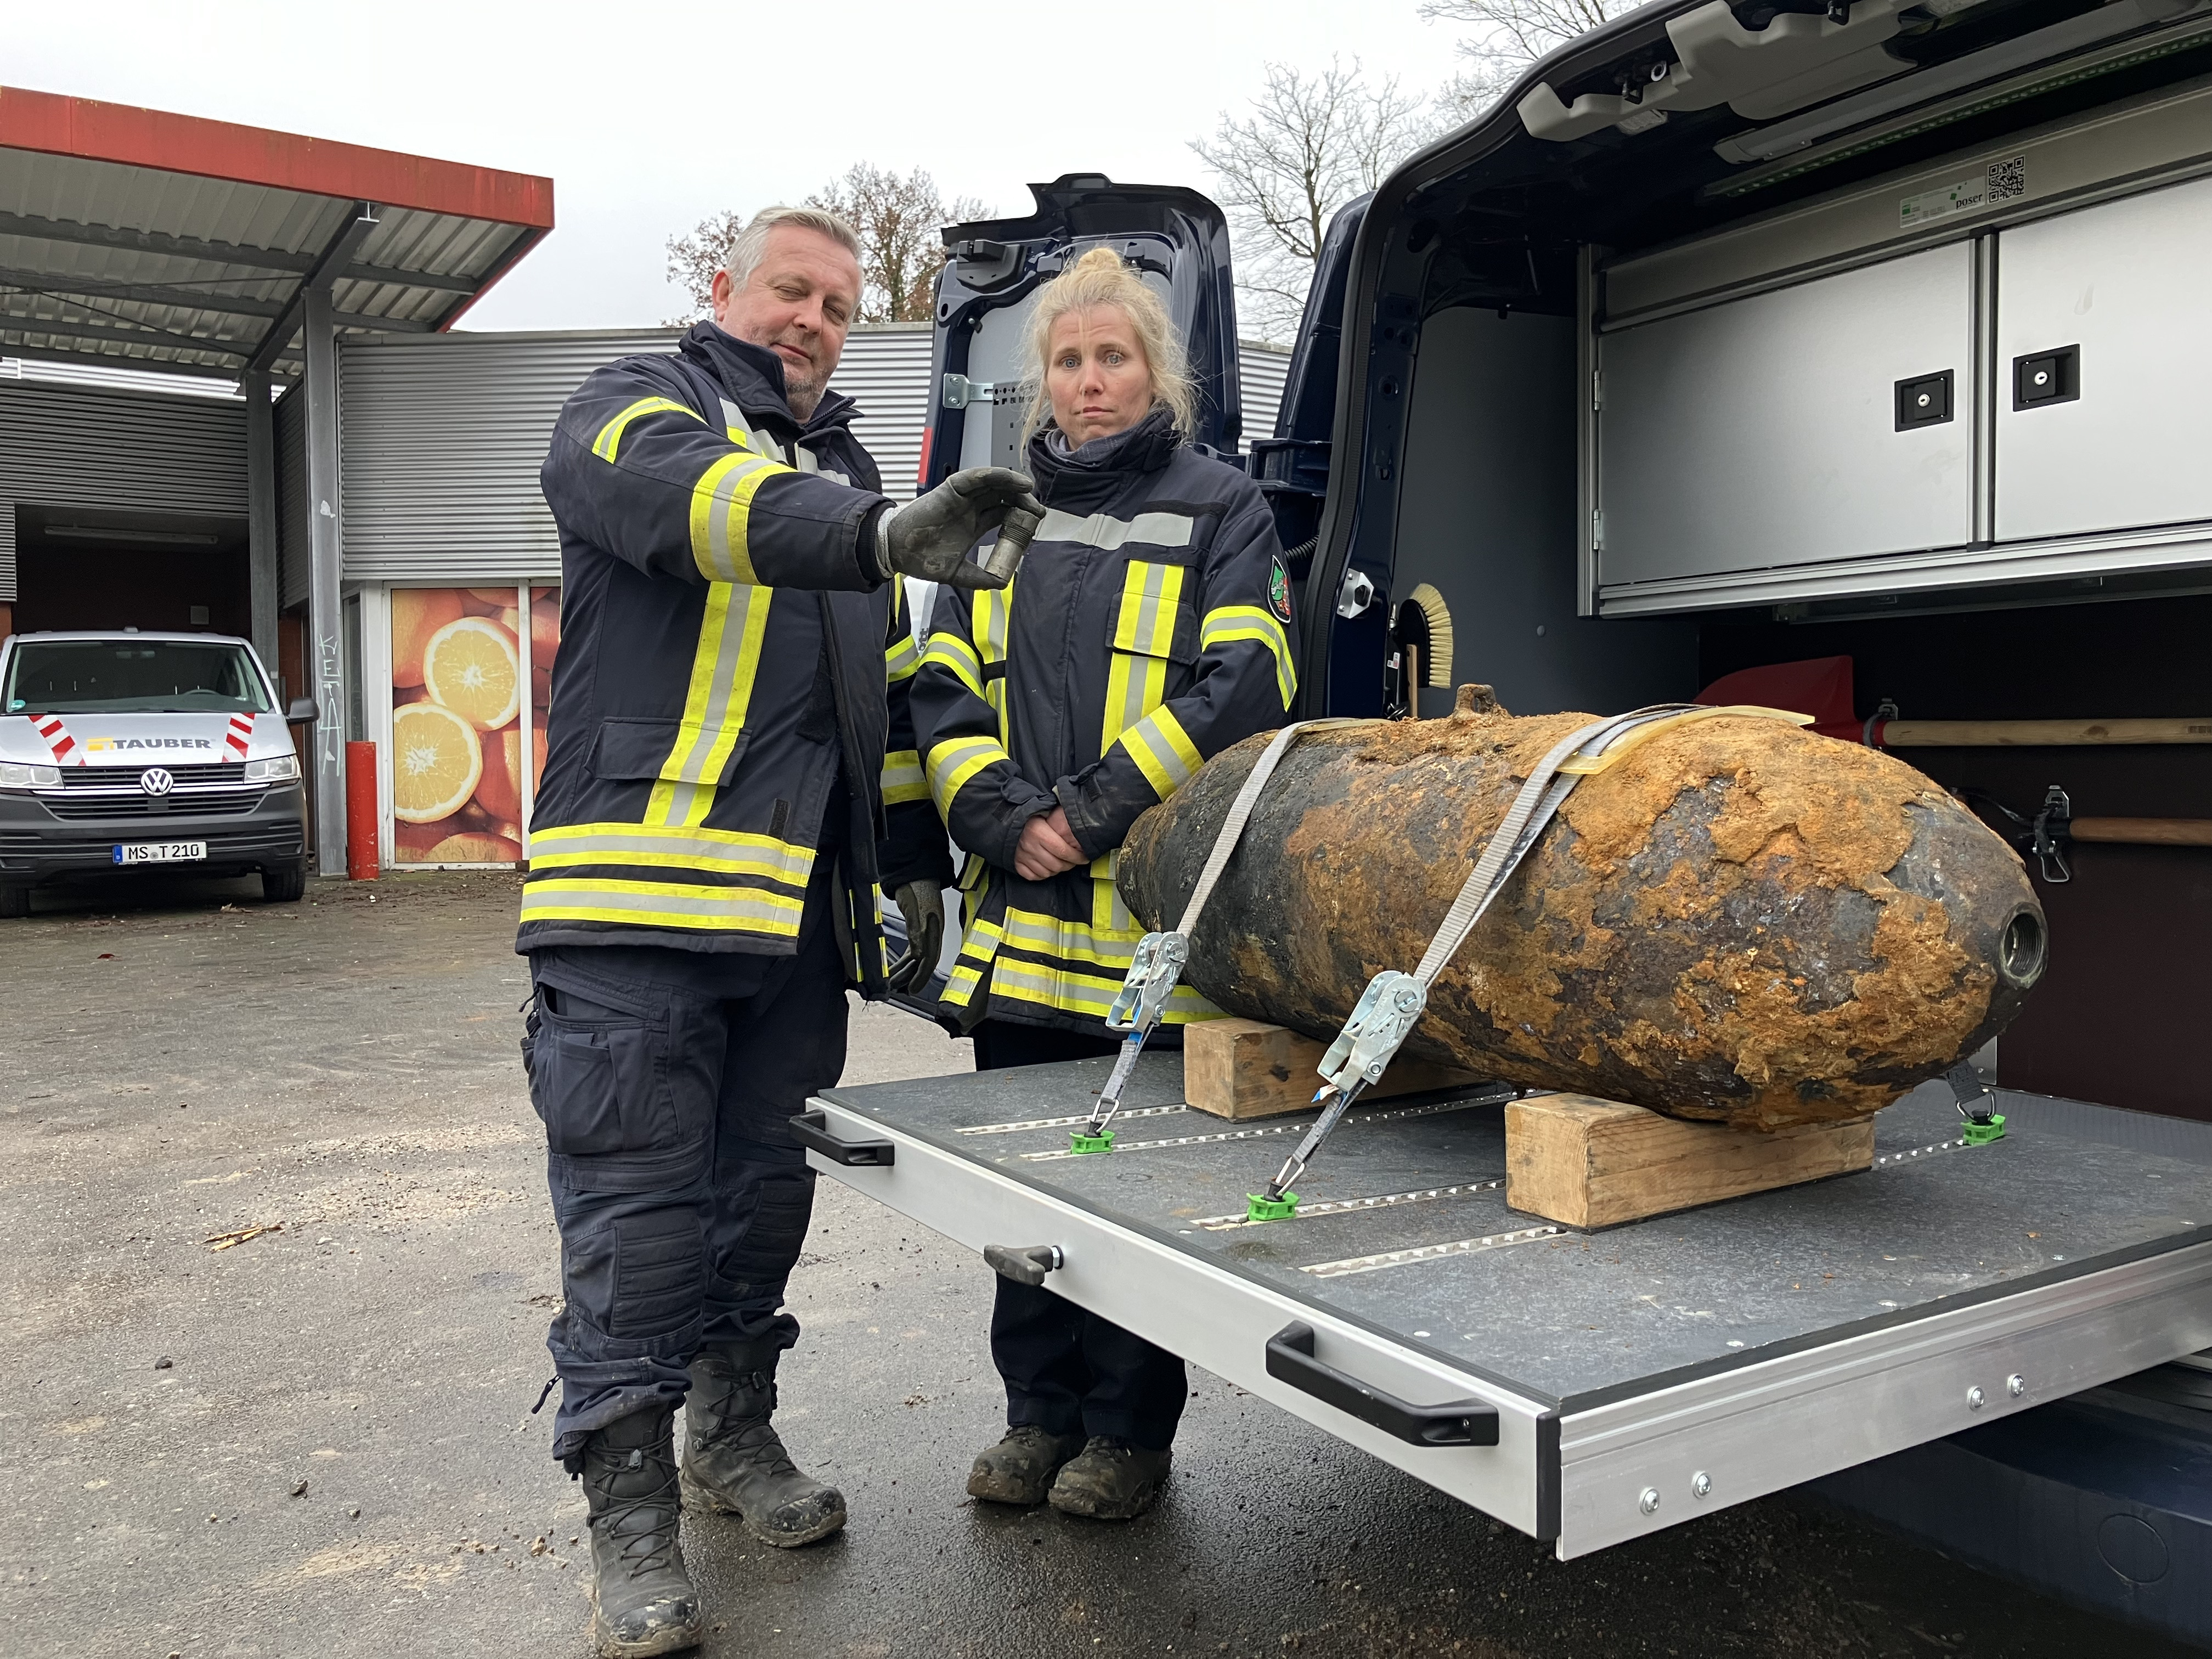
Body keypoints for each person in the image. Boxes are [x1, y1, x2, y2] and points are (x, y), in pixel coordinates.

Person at [520, 204, 1042, 1658]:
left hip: (794, 932)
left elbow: (867, 706)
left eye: (835, 301)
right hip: (635, 914)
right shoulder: (635, 409)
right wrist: (880, 533)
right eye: (788, 290)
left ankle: (728, 1435)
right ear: (723, 289)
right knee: (635, 1218)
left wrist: (913, 866)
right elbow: (702, 514)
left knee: (761, 1203)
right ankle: (630, 1516)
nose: (812, 317)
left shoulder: (853, 470)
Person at [909, 246, 1301, 1522]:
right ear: (1045, 382)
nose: (1091, 382)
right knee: (1021, 1186)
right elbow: (942, 681)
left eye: (1114, 357)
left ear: (1157, 373)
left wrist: (1081, 817)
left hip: (1144, 920)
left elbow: (1248, 681)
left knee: (1133, 1197)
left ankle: (1129, 1436)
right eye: (1070, 361)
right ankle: (1036, 1420)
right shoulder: (996, 513)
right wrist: (997, 815)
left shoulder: (1223, 508)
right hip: (1023, 922)